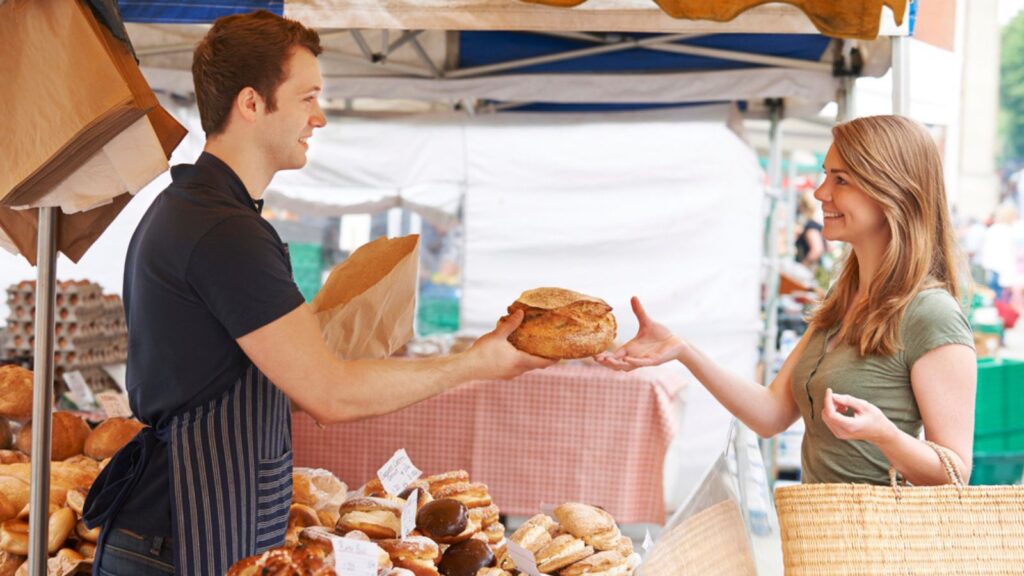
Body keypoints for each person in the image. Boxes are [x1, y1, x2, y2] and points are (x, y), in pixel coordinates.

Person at [83, 11, 552, 575]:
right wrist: (476, 364)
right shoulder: (223, 230)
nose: (320, 117)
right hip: (181, 536)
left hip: (189, 526)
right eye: (307, 98)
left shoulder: (198, 210)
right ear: (251, 104)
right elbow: (329, 394)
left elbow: (304, 382)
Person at [598, 115, 977, 488]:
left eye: (840, 179)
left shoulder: (931, 313)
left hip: (883, 546)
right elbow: (771, 414)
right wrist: (683, 351)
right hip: (818, 539)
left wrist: (885, 435)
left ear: (891, 191)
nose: (820, 192)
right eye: (826, 174)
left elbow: (955, 471)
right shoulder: (842, 298)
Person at [794, 190, 825, 269]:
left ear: (802, 205)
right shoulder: (817, 224)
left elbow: (817, 250)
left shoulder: (811, 226)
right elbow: (830, 247)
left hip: (809, 272)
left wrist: (803, 266)